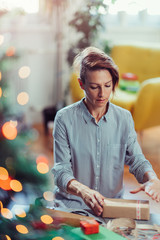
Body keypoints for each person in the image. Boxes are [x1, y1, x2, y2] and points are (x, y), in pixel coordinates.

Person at [52, 46, 160, 217]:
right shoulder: (64, 118)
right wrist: (83, 191)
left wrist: (152, 179)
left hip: (110, 208)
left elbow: (137, 160)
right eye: (95, 87)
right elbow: (61, 171)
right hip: (71, 206)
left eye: (107, 85)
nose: (102, 94)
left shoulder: (124, 118)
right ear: (82, 84)